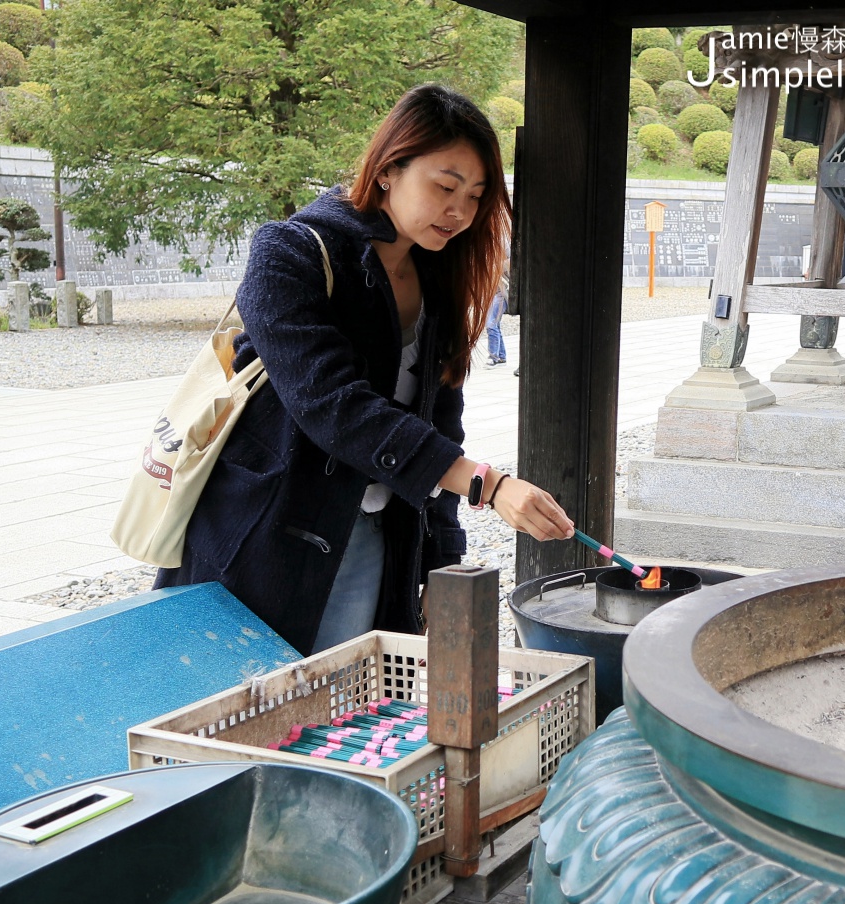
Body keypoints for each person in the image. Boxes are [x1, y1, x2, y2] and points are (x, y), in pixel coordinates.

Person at [156, 84, 574, 655]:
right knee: (246, 717)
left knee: (345, 716)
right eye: (445, 186)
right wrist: (487, 484)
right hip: (265, 537)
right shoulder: (290, 252)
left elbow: (441, 425)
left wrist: (440, 561)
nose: (460, 210)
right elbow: (331, 405)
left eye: (476, 195)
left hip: (377, 537)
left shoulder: (436, 281)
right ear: (386, 171)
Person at [485, 270, 508, 366]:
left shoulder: (499, 259)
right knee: (494, 325)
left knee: (491, 324)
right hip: (494, 294)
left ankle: (493, 357)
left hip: (500, 294)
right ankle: (501, 356)